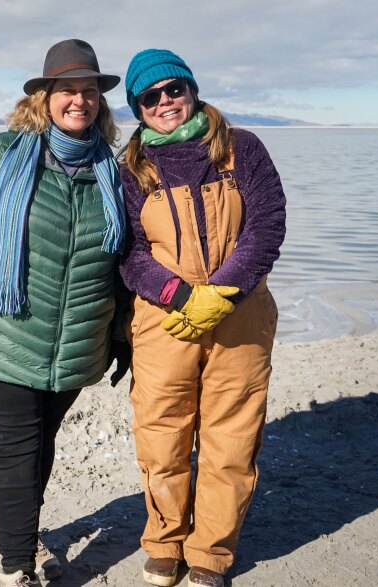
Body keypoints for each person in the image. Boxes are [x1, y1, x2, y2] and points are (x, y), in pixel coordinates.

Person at [0, 38, 132, 587]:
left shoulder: (110, 171)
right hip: (1, 340)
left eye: (89, 91)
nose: (79, 101)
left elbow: (122, 262)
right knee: (18, 454)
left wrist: (119, 334)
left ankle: (22, 534)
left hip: (76, 346)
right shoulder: (0, 155)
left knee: (40, 449)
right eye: (67, 90)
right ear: (43, 97)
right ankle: (17, 565)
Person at [118, 48, 286, 587]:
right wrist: (178, 294)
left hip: (241, 318)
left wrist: (220, 292)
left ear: (191, 89)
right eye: (150, 97)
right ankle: (165, 543)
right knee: (161, 434)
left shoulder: (242, 149)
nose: (165, 101)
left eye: (173, 89)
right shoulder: (131, 168)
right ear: (138, 109)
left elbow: (267, 225)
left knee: (231, 439)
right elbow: (127, 251)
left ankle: (211, 554)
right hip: (165, 321)